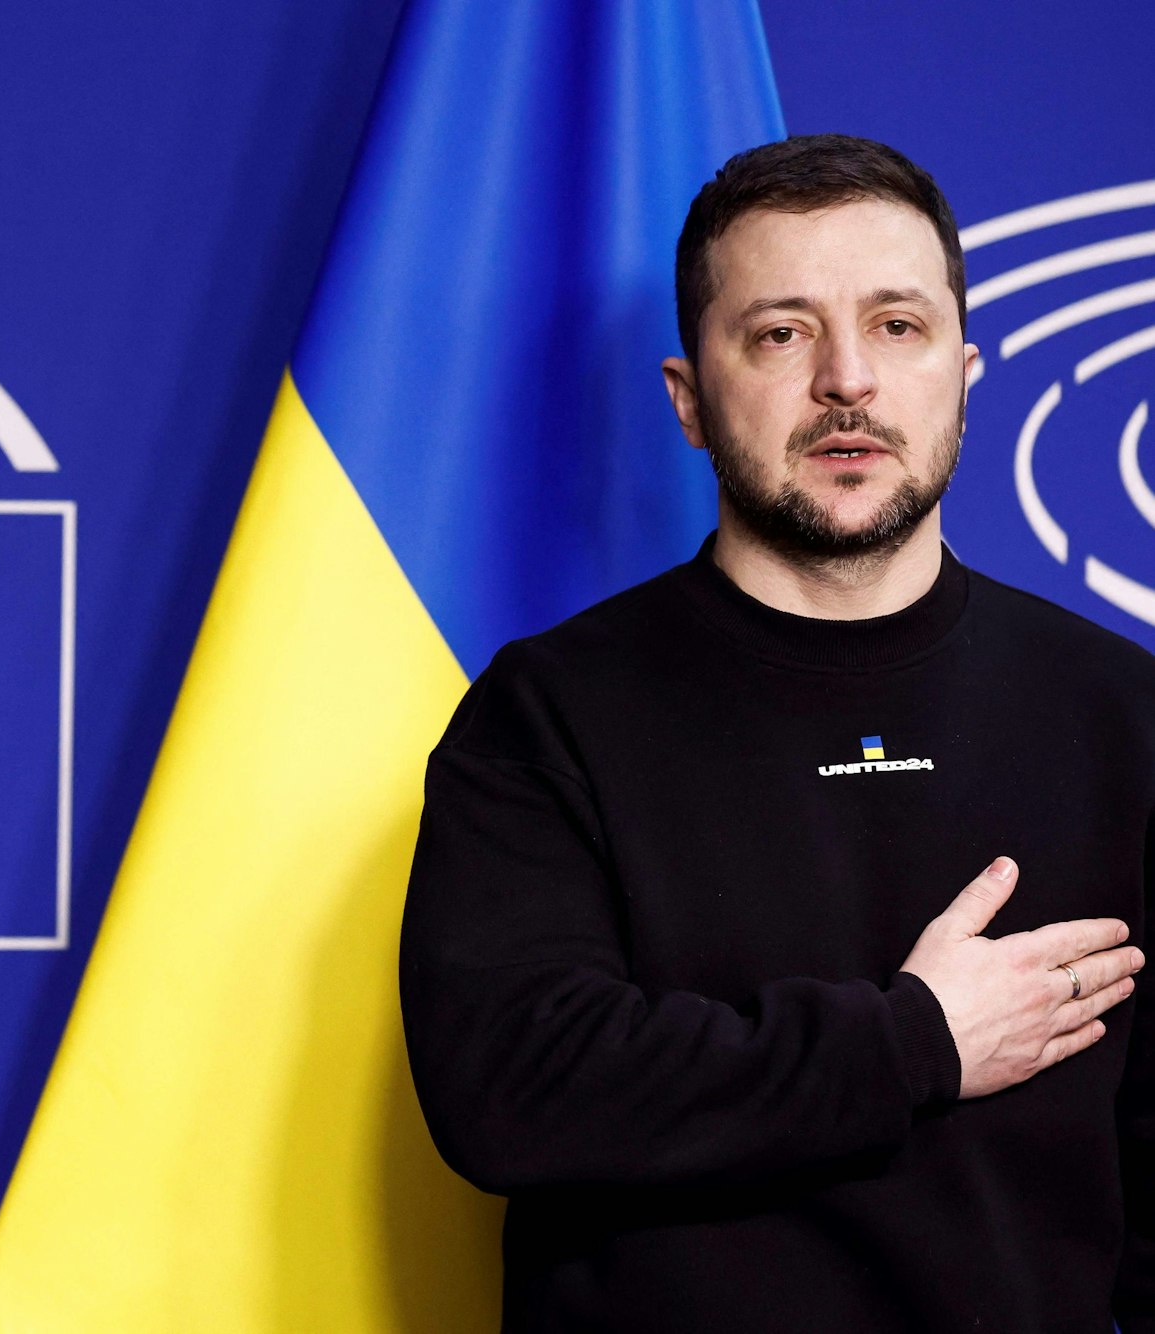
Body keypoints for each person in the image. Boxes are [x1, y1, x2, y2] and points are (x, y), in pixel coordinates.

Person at [399, 134, 1154, 1333]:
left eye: (897, 326)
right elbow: (509, 1088)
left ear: (963, 373)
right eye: (780, 332)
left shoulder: (1126, 712)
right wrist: (913, 1041)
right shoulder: (547, 710)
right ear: (689, 399)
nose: (847, 379)